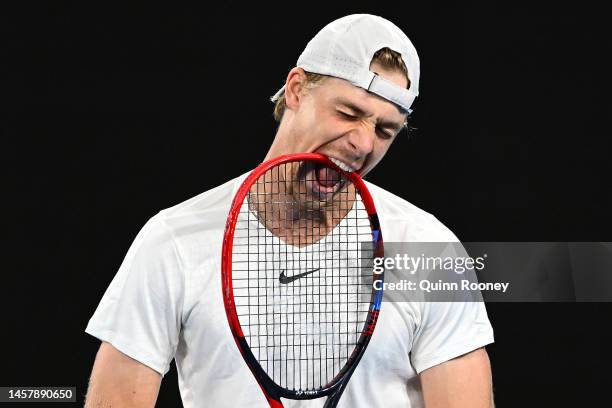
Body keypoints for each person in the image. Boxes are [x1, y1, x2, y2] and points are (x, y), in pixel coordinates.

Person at [85, 14, 494, 408]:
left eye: (385, 130)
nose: (363, 144)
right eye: (348, 113)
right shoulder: (173, 240)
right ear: (296, 89)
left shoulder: (431, 251)